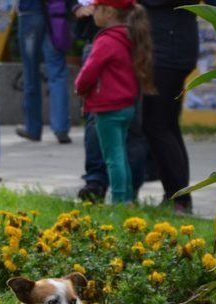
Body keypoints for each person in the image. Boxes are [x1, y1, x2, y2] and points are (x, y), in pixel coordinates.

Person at [74, 0, 154, 204]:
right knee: (121, 154)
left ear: (108, 12)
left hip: (108, 107)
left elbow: (89, 70)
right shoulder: (130, 36)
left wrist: (79, 88)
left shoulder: (105, 40)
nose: (93, 13)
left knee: (113, 157)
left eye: (96, 9)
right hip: (127, 106)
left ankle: (120, 201)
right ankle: (127, 196)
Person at [138, 0, 201, 213]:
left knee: (157, 125)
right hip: (169, 45)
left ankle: (179, 198)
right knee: (166, 125)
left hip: (168, 49)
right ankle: (176, 195)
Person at [14, 0, 72, 144]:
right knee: (57, 72)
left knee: (30, 72)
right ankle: (61, 128)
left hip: (30, 12)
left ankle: (33, 128)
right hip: (55, 12)